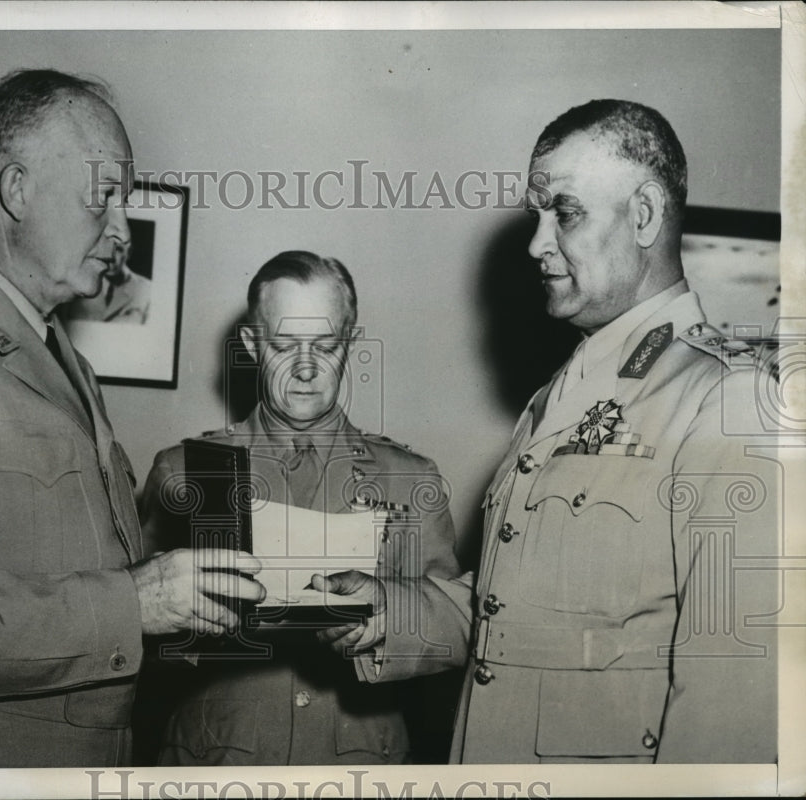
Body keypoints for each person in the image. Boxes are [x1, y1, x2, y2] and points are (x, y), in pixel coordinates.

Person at [319, 99, 779, 763]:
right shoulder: (561, 394)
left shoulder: (728, 398)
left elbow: (735, 692)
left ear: (644, 215)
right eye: (537, 215)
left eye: (565, 212)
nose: (536, 244)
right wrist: (388, 612)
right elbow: (517, 613)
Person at [0, 69, 264, 769]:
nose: (122, 231)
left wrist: (176, 593)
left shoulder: (64, 362)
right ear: (17, 189)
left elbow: (67, 573)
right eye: (104, 197)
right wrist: (135, 602)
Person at [137, 251, 461, 765]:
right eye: (285, 346)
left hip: (359, 766)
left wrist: (385, 615)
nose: (307, 369)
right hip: (219, 766)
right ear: (252, 345)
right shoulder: (185, 472)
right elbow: (136, 641)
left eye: (326, 346)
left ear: (349, 342)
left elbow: (453, 631)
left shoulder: (409, 478)